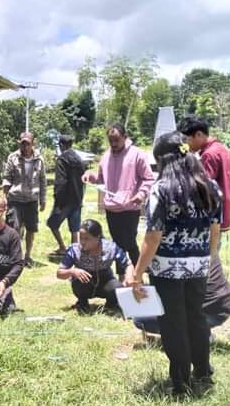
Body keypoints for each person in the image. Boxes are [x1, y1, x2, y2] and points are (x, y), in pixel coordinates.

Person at [132, 131, 222, 396]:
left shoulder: (162, 189)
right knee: (196, 317)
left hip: (167, 268)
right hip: (198, 266)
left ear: (164, 160)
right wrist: (210, 257)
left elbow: (153, 236)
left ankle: (181, 383)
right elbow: (215, 227)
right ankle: (203, 372)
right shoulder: (209, 186)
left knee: (173, 323)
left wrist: (137, 273)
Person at [179, 116, 230, 329]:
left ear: (199, 135)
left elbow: (200, 190)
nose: (187, 144)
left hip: (208, 220)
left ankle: (210, 314)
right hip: (220, 217)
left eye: (188, 139)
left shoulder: (208, 155)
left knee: (206, 270)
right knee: (212, 265)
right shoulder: (222, 149)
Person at [82, 123, 154, 265]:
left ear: (125, 137)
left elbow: (148, 178)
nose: (113, 143)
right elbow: (100, 178)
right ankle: (123, 278)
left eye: (116, 140)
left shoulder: (137, 154)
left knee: (129, 243)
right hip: (111, 208)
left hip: (130, 207)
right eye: (110, 140)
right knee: (117, 244)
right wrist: (89, 175)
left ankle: (138, 273)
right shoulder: (106, 156)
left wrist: (141, 194)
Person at [56, 219, 134, 313]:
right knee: (79, 282)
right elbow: (59, 273)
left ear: (98, 237)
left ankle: (111, 304)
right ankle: (82, 303)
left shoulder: (110, 248)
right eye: (81, 238)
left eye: (87, 239)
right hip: (84, 283)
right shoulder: (74, 250)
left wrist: (129, 277)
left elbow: (128, 264)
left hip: (105, 281)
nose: (82, 242)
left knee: (116, 286)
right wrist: (72, 272)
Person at [2, 132, 47, 267]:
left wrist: (43, 199)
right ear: (19, 143)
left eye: (28, 143)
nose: (25, 146)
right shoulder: (13, 157)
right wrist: (4, 197)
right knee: (14, 228)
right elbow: (6, 177)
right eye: (23, 143)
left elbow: (43, 179)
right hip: (15, 199)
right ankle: (15, 256)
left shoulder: (39, 159)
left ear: (33, 143)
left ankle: (27, 256)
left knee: (31, 229)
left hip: (32, 199)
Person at [48, 134, 86, 256]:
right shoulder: (79, 159)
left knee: (52, 223)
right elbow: (83, 181)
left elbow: (61, 181)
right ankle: (74, 251)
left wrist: (57, 199)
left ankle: (62, 247)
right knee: (74, 228)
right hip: (77, 198)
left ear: (61, 145)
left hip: (64, 200)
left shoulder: (62, 159)